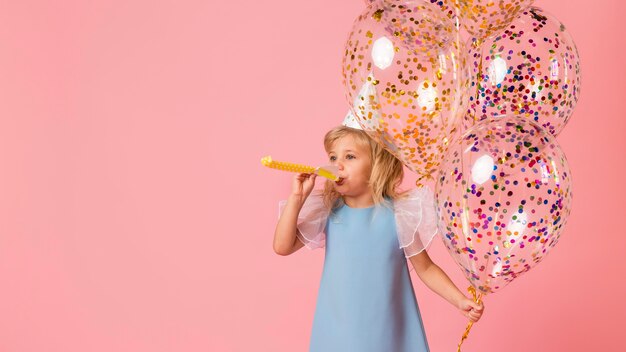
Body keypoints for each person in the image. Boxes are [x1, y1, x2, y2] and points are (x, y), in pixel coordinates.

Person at [273, 125, 484, 351]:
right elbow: (282, 246)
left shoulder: (400, 214)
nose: (337, 165)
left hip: (388, 327)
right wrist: (297, 198)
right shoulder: (328, 210)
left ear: (377, 164)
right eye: (333, 157)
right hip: (339, 328)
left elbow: (426, 269)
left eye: (350, 156)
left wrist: (459, 299)